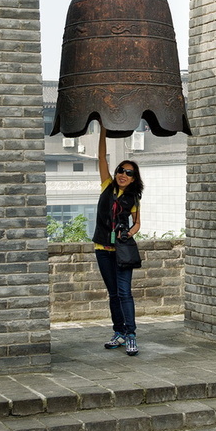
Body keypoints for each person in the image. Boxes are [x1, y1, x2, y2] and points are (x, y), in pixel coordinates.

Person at [92, 125, 143, 356]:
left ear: (133, 179)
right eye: (121, 170)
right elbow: (101, 156)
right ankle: (119, 332)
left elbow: (138, 224)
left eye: (129, 173)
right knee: (113, 293)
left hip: (121, 251)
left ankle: (131, 334)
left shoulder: (133, 198)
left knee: (125, 293)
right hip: (102, 248)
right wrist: (103, 129)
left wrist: (128, 233)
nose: (124, 174)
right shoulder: (106, 186)